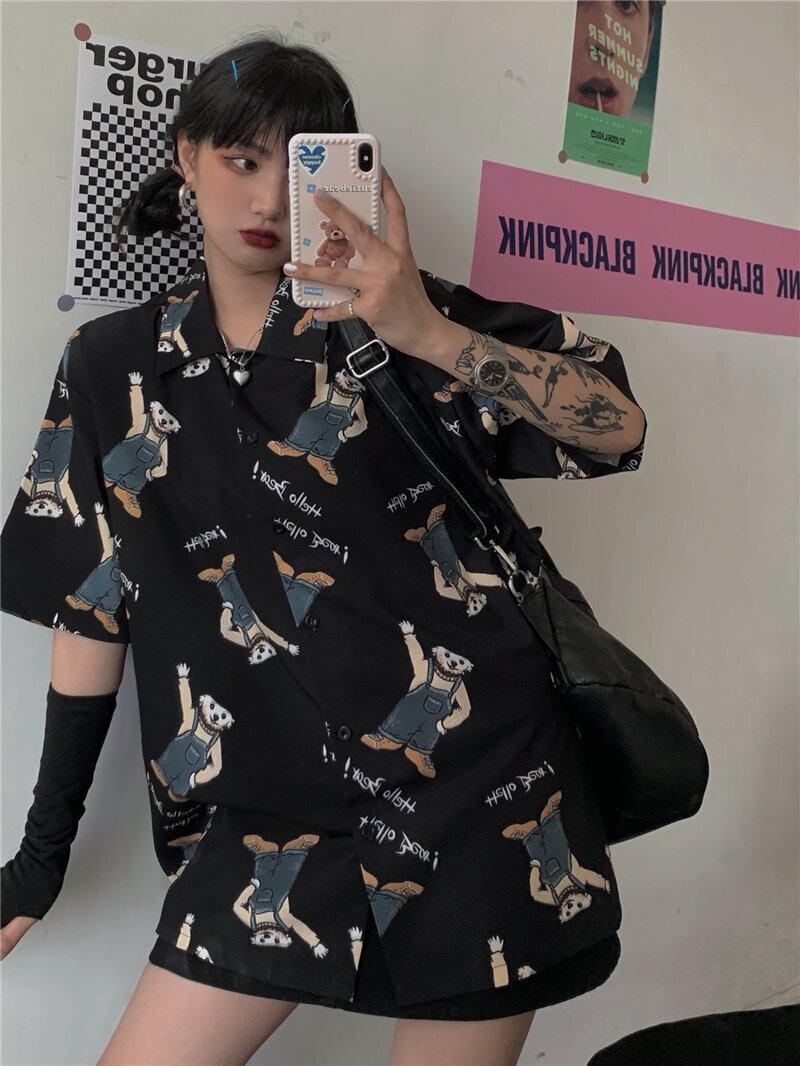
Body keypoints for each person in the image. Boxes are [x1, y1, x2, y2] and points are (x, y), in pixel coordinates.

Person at [0, 30, 647, 1066]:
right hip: (261, 809)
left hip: (477, 787)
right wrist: (42, 856)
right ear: (185, 157)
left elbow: (616, 426)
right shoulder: (112, 365)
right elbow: (92, 604)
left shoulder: (405, 321)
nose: (266, 198)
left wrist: (423, 328)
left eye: (297, 164)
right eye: (240, 158)